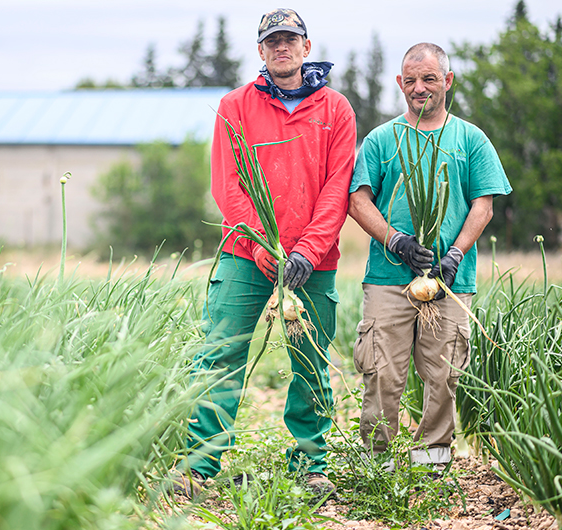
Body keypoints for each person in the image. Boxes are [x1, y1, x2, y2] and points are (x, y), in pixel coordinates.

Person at [167, 8, 356, 498]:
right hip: (244, 256)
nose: (282, 48)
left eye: (290, 39)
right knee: (220, 354)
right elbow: (227, 186)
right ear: (261, 51)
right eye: (272, 41)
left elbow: (338, 189)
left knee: (310, 362)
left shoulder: (336, 110)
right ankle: (198, 466)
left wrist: (307, 252)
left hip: (315, 263)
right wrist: (260, 245)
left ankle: (311, 465)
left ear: (306, 47)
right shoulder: (234, 106)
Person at [348, 43, 512, 472]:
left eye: (429, 79)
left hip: (450, 279)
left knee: (443, 374)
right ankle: (376, 460)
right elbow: (359, 201)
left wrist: (456, 253)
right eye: (411, 80)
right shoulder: (382, 138)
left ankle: (431, 460)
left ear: (448, 81)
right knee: (382, 369)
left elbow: (484, 205)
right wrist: (396, 241)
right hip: (389, 276)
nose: (419, 88)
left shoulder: (470, 138)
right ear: (400, 83)